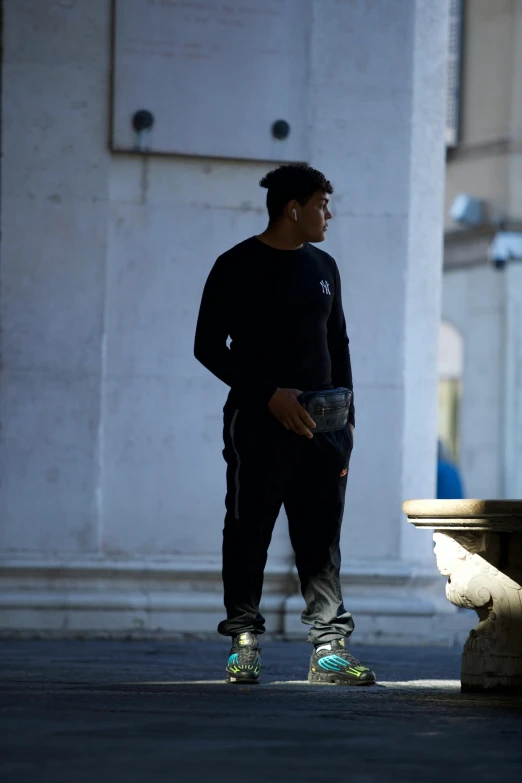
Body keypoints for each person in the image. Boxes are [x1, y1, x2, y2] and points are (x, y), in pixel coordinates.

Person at [194, 164, 376, 687]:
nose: (329, 214)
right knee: (249, 529)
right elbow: (207, 347)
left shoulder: (325, 267)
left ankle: (329, 648)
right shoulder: (235, 265)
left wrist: (347, 422)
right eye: (321, 204)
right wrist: (268, 395)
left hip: (324, 432)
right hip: (257, 424)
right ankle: (244, 641)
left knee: (321, 539)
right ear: (293, 209)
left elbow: (337, 345)